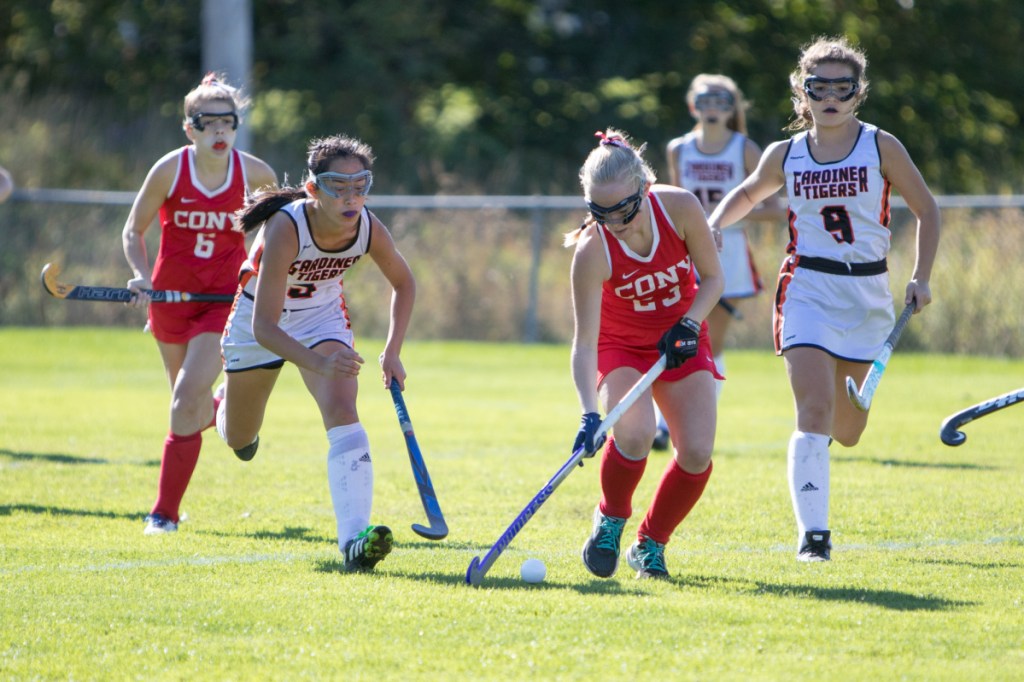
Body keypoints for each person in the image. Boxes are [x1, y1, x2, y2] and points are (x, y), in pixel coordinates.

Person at [708, 36, 939, 561]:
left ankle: (822, 457)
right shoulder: (785, 153)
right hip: (807, 287)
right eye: (819, 87)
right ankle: (815, 538)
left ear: (859, 93)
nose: (831, 96)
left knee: (848, 429)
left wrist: (921, 277)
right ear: (802, 91)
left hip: (868, 296)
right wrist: (714, 223)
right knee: (812, 408)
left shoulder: (881, 146)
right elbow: (748, 193)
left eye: (843, 86)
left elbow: (927, 209)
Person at [216, 134, 416, 572]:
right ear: (313, 190)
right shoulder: (287, 227)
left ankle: (353, 542)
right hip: (258, 325)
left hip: (320, 320)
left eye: (360, 186)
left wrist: (392, 351)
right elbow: (265, 327)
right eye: (337, 187)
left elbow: (405, 282)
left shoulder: (366, 227)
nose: (351, 198)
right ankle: (224, 406)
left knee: (344, 407)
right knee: (238, 438)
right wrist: (320, 364)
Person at [122, 73, 277, 535]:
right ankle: (227, 413)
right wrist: (141, 275)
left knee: (186, 397)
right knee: (187, 405)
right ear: (189, 127)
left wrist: (258, 264)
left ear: (236, 125)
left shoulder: (256, 174)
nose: (219, 132)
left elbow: (278, 228)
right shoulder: (170, 169)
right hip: (170, 299)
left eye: (227, 123)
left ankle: (163, 514)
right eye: (207, 123)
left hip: (222, 303)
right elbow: (134, 230)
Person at [566, 128, 724, 580]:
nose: (616, 222)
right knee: (633, 435)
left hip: (682, 335)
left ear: (644, 186)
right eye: (601, 212)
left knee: (696, 451)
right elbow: (584, 341)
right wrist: (586, 413)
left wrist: (690, 323)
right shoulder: (592, 249)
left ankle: (649, 544)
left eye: (625, 209)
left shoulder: (678, 207)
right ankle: (611, 519)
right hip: (623, 346)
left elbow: (713, 279)